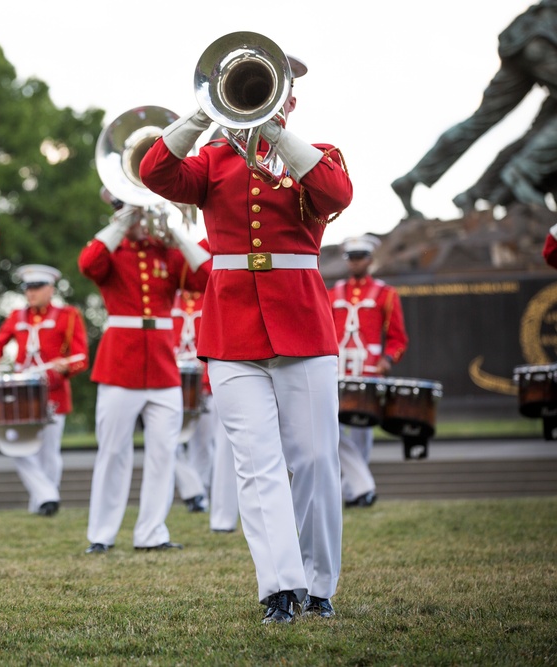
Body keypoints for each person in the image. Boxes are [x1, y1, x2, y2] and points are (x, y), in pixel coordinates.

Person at [140, 52, 353, 623]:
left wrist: (277, 133)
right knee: (256, 463)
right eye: (252, 89)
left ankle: (319, 581)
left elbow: (336, 194)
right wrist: (204, 113)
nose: (263, 98)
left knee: (312, 461)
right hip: (232, 328)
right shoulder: (211, 161)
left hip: (302, 325)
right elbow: (156, 173)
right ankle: (279, 586)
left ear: (290, 98)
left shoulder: (317, 156)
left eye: (271, 89)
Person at [78, 194, 210, 555]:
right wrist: (121, 222)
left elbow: (208, 275)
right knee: (113, 452)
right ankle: (102, 535)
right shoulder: (112, 249)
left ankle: (152, 533)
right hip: (120, 364)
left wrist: (178, 235)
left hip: (163, 365)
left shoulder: (163, 251)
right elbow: (87, 264)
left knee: (164, 453)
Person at [392, 0, 557, 218]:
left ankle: (414, 178)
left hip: (526, 35)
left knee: (480, 120)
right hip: (545, 38)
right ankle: (521, 174)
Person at [0, 264, 90, 516]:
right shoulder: (16, 316)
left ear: (50, 289)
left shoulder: (68, 315)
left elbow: (81, 357)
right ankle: (47, 497)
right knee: (16, 446)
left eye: (37, 287)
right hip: (22, 392)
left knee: (49, 451)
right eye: (28, 288)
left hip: (52, 391)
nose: (31, 293)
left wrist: (66, 367)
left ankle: (42, 503)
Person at [329, 235, 409, 509]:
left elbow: (398, 338)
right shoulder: (332, 293)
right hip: (335, 371)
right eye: (351, 257)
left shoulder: (386, 294)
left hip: (368, 371)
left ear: (370, 259)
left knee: (363, 433)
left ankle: (353, 493)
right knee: (332, 431)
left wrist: (388, 359)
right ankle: (361, 488)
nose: (355, 262)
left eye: (360, 256)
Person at [171, 288, 239, 531]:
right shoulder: (170, 297)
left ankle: (199, 496)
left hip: (206, 381)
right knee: (168, 443)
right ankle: (195, 490)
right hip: (173, 381)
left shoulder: (211, 293)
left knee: (204, 443)